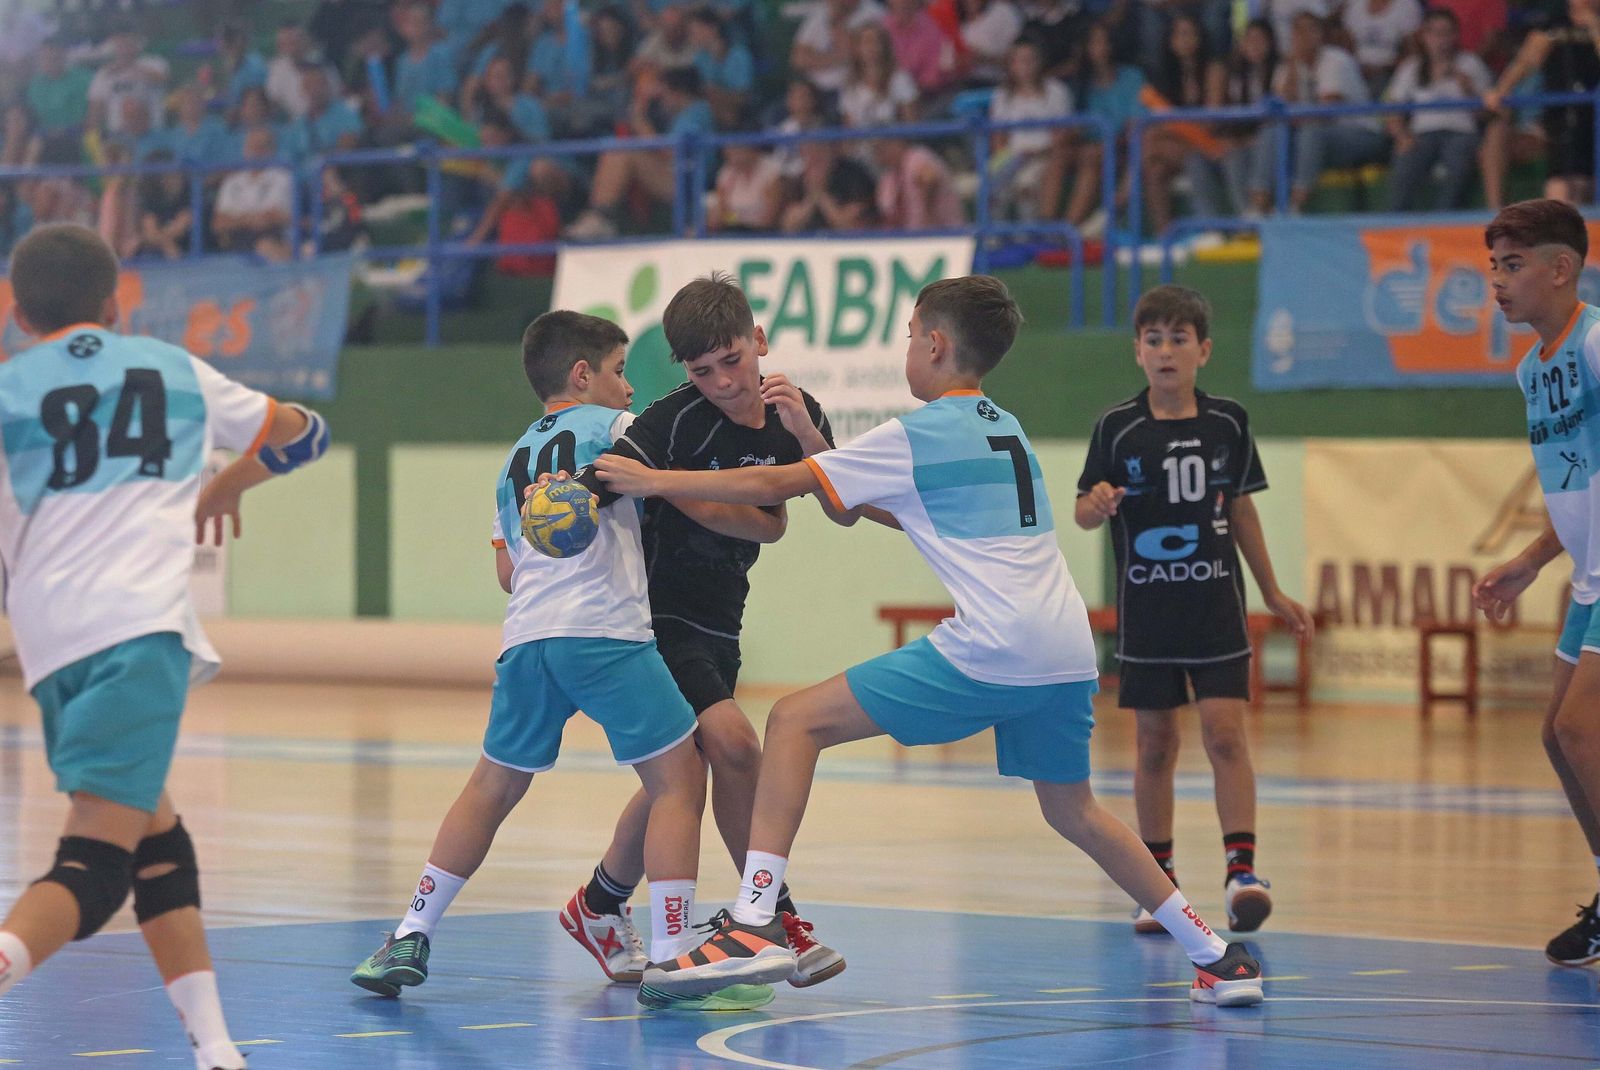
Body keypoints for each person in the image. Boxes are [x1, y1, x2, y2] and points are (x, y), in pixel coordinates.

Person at [591, 274, 1266, 1008]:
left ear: (936, 345)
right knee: (1075, 812)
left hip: (996, 643)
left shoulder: (918, 432)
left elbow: (775, 485)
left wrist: (655, 483)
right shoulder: (1003, 426)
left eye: (911, 335)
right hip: (1064, 648)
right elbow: (885, 509)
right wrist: (815, 443)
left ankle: (754, 921)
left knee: (793, 721)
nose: (908, 347)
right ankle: (1216, 955)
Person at [348, 311, 762, 1011]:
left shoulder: (512, 462)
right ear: (582, 375)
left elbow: (507, 572)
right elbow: (676, 489)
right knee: (679, 779)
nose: (629, 387)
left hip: (526, 639)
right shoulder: (620, 430)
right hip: (605, 634)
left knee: (490, 787)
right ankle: (672, 953)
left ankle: (409, 934)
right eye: (620, 371)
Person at [0, 222, 330, 1070]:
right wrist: (228, 480)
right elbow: (306, 435)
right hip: (137, 634)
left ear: (18, 313)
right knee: (94, 871)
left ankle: (216, 1049)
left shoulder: (7, 389)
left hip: (50, 649)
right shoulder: (172, 368)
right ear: (116, 302)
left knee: (159, 846)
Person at [561, 274, 846, 991]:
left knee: (679, 775)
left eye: (731, 361)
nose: (721, 382)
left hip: (722, 617)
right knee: (735, 745)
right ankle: (771, 915)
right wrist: (553, 501)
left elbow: (800, 510)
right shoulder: (674, 420)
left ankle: (599, 902)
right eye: (701, 371)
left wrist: (801, 445)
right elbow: (605, 476)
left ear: (759, 341)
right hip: (657, 618)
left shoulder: (797, 414)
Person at [1075, 285, 1313, 935]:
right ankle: (1160, 888)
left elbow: (1242, 509)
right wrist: (1096, 504)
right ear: (1137, 352)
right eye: (1153, 340)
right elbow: (1084, 510)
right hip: (1147, 614)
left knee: (1225, 735)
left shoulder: (1227, 422)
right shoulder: (1117, 427)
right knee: (1154, 746)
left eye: (1179, 339)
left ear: (1203, 350)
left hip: (1216, 609)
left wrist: (1272, 591)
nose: (1165, 351)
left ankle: (1242, 874)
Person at [1475, 199, 1600, 971]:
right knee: (1558, 735)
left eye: (1513, 265)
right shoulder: (1533, 369)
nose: (1497, 280)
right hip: (1589, 576)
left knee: (1582, 728)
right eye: (1493, 265)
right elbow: (1577, 486)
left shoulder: (1595, 341)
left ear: (1561, 269)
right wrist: (1530, 560)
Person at [1484, 0, 1600, 205]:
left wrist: (1594, 27)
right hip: (1560, 119)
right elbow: (1526, 60)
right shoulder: (1552, 25)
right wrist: (1501, 90)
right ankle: (1495, 211)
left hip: (1593, 119)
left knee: (1582, 187)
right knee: (1561, 188)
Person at [1383, 8, 1492, 212]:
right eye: (1434, 33)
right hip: (1422, 134)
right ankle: (1395, 221)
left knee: (1458, 160)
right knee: (1405, 159)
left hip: (1461, 133)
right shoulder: (1412, 67)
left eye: (1446, 33)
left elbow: (1487, 114)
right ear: (1424, 36)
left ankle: (1443, 219)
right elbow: (1393, 110)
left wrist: (1468, 91)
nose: (1440, 39)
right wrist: (1402, 136)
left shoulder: (1471, 64)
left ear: (1455, 36)